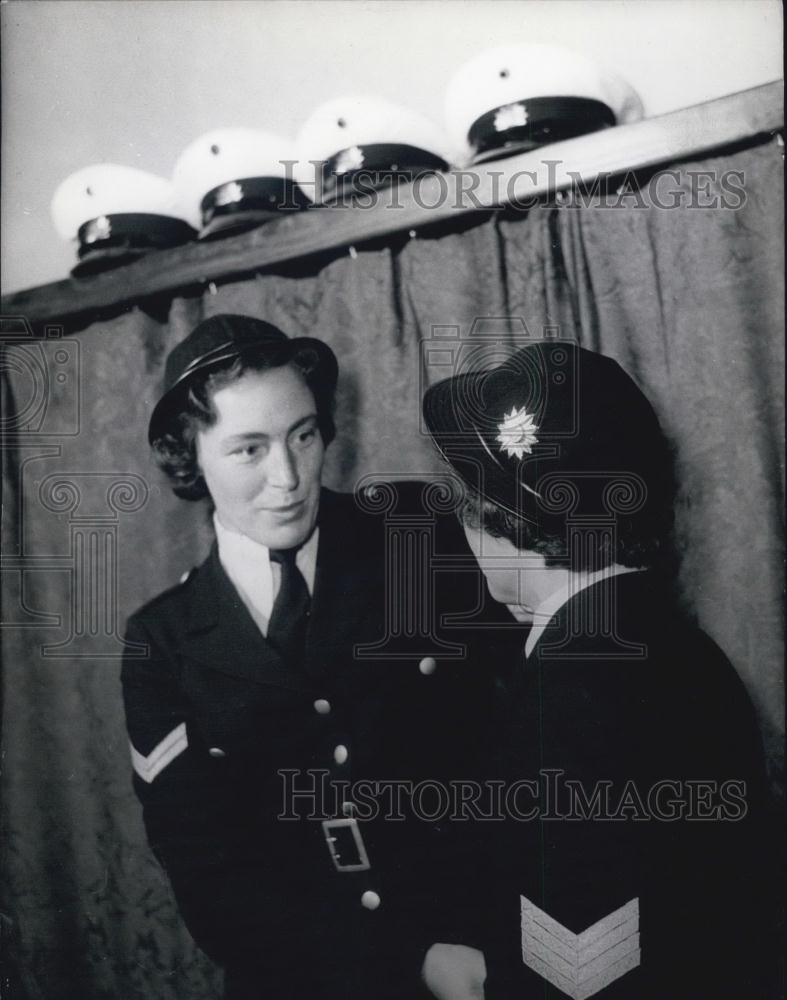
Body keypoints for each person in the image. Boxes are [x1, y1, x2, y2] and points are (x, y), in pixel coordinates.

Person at [121, 313, 496, 1000]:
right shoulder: (163, 642)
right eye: (248, 450)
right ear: (189, 455)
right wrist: (403, 960)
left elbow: (515, 746)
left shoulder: (415, 536)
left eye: (303, 435)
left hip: (479, 956)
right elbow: (209, 874)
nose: (288, 476)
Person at [421, 339, 770, 999]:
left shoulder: (562, 694)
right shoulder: (682, 646)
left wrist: (473, 981)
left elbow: (578, 972)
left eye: (463, 500)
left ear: (502, 517)